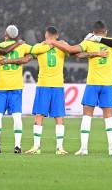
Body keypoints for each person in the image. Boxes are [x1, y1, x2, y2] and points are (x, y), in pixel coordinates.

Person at [49, 21, 112, 156]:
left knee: (87, 116)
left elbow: (71, 51)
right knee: (109, 117)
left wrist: (53, 42)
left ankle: (84, 149)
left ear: (94, 32)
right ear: (106, 31)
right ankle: (111, 150)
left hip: (92, 84)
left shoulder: (88, 41)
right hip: (108, 84)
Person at [0, 25, 48, 154]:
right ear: (17, 35)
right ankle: (17, 146)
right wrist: (48, 44)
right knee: (17, 116)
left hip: (0, 86)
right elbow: (36, 50)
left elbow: (2, 53)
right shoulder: (23, 46)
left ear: (5, 34)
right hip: (16, 86)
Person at [21, 26, 68, 155]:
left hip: (44, 85)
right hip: (57, 86)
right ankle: (60, 148)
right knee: (58, 117)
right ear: (57, 35)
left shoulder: (39, 46)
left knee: (39, 115)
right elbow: (71, 51)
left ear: (46, 35)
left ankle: (36, 147)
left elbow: (32, 51)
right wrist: (55, 44)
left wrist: (49, 44)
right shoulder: (62, 45)